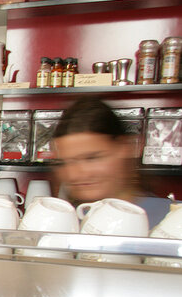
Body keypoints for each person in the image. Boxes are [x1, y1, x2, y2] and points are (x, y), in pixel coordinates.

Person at [53, 95, 171, 226]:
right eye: (65, 162)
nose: (75, 174)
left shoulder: (172, 218)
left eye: (91, 158)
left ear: (126, 148)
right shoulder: (60, 224)